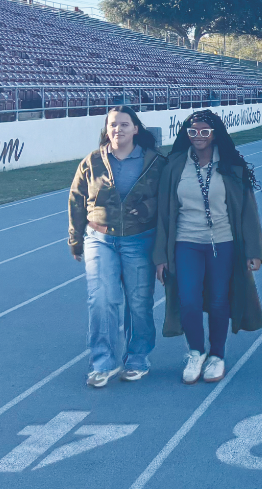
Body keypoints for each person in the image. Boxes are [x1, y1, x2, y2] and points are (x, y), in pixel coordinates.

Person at [153, 110, 262, 385]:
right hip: (186, 242)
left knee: (218, 300)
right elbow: (163, 215)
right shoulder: (175, 165)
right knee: (188, 300)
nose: (198, 137)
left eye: (205, 131)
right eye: (193, 132)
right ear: (186, 135)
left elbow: (248, 211)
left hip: (223, 243)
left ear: (215, 134)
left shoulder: (231, 166)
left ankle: (217, 355)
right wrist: (161, 256)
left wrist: (254, 251)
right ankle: (196, 352)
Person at [68, 106, 167, 387]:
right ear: (106, 128)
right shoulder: (92, 161)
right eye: (113, 124)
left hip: (140, 240)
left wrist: (148, 207)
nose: (118, 129)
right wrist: (75, 240)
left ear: (136, 128)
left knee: (138, 304)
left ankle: (137, 359)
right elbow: (76, 200)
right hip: (100, 240)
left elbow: (168, 199)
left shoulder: (156, 161)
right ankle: (103, 363)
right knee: (101, 300)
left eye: (124, 124)